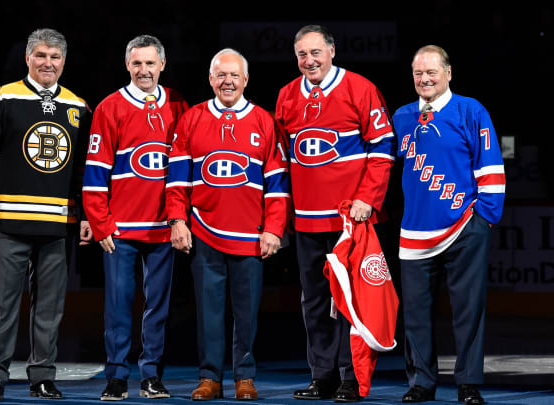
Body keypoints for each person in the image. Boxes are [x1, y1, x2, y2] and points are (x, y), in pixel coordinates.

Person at [0, 28, 91, 402]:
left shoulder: (79, 107)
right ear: (27, 59)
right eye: (40, 55)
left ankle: (42, 376)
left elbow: (87, 169)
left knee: (50, 307)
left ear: (64, 61)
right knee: (1, 303)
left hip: (58, 224)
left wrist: (85, 215)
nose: (47, 63)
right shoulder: (1, 98)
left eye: (54, 57)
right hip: (9, 221)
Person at [275, 24, 396, 402]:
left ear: (331, 51)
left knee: (350, 299)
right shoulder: (286, 95)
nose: (308, 60)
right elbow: (281, 159)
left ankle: (350, 376)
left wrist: (368, 198)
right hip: (307, 219)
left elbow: (383, 147)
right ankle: (322, 375)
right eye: (301, 55)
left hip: (350, 219)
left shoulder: (360, 88)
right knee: (313, 300)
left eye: (315, 52)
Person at [166, 48, 290, 401]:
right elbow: (176, 180)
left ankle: (244, 378)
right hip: (204, 231)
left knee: (247, 312)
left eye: (234, 75)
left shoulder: (264, 121)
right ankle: (209, 377)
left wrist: (274, 229)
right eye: (220, 75)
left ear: (246, 80)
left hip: (251, 235)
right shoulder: (191, 119)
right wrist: (178, 220)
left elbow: (278, 183)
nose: (228, 81)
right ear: (210, 79)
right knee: (207, 312)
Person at [392, 45, 505, 405]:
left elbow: (490, 166)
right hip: (414, 233)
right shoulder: (402, 116)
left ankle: (468, 383)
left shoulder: (471, 110)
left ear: (448, 73)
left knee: (469, 311)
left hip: (463, 228)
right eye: (418, 74)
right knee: (415, 316)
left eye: (431, 72)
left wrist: (484, 218)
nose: (424, 79)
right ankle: (422, 383)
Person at [81, 34, 189, 401]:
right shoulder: (109, 107)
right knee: (119, 305)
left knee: (158, 307)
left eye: (150, 63)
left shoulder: (178, 105)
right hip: (121, 229)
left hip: (164, 228)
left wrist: (180, 219)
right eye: (137, 63)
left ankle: (151, 376)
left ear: (162, 65)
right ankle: (116, 376)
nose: (144, 70)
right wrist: (100, 222)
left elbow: (185, 167)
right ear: (128, 65)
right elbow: (96, 169)